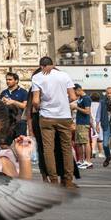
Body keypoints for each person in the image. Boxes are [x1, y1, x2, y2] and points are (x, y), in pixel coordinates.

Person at [30, 56, 77, 189]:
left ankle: (53, 180)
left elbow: (35, 101)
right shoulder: (64, 75)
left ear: (41, 66)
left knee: (48, 150)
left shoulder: (37, 77)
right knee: (66, 148)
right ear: (53, 64)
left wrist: (42, 107)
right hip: (64, 116)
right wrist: (63, 103)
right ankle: (68, 180)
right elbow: (73, 97)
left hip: (47, 117)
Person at [0, 72, 29, 143]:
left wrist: (13, 102)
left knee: (20, 143)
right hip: (7, 122)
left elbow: (25, 106)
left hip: (20, 122)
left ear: (16, 81)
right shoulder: (4, 92)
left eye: (10, 79)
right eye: (7, 80)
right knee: (6, 144)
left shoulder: (23, 92)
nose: (7, 81)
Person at [71, 84, 93, 169]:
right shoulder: (80, 99)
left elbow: (87, 111)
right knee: (78, 142)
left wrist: (76, 107)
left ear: (79, 89)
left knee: (85, 142)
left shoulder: (86, 98)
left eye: (74, 91)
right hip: (79, 123)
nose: (74, 94)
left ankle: (88, 161)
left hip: (84, 123)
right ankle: (80, 160)